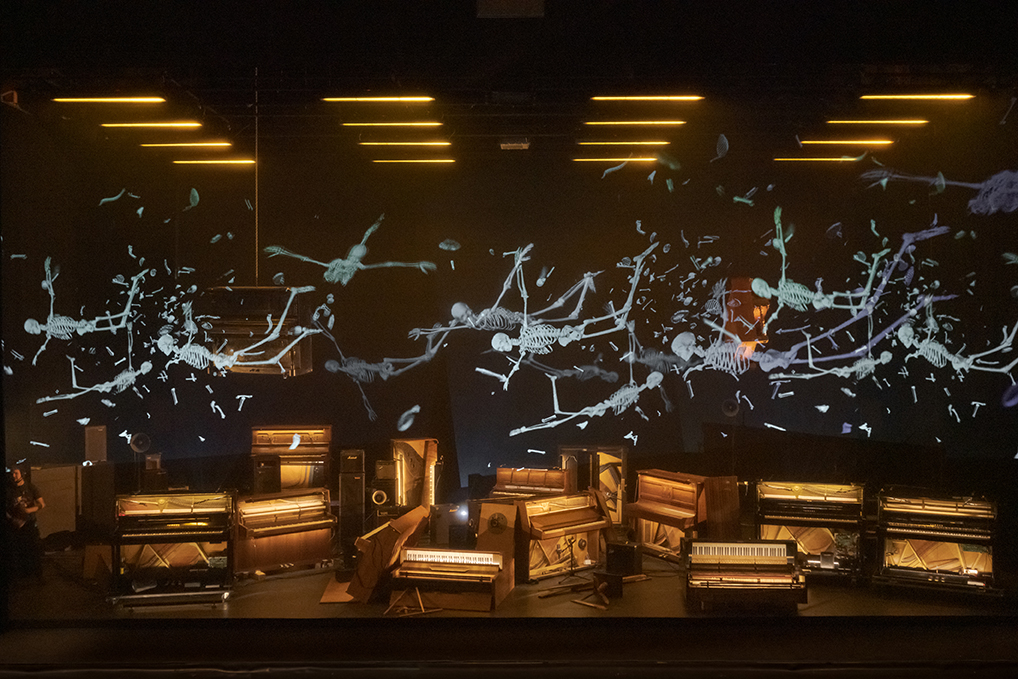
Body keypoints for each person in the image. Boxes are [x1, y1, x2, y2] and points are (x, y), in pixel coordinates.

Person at [6, 467, 45, 579]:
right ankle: (21, 576)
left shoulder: (30, 487)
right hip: (14, 525)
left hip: (29, 523)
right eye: (12, 473)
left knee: (34, 549)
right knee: (17, 551)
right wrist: (12, 519)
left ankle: (37, 575)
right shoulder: (9, 490)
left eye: (16, 473)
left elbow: (42, 504)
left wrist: (28, 510)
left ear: (22, 474)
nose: (13, 476)